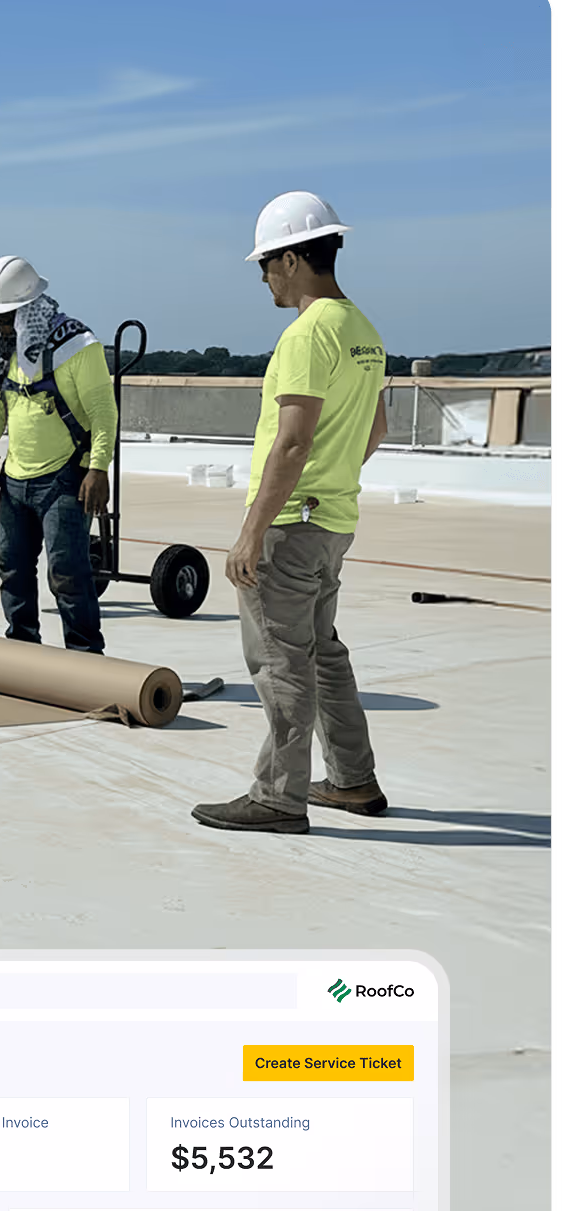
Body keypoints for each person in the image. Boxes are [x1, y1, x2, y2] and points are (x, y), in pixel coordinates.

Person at [192, 193, 390, 834]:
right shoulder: (363, 330)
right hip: (333, 521)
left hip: (292, 524)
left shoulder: (306, 335)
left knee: (280, 660)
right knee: (323, 652)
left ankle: (279, 798)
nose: (264, 277)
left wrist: (252, 530)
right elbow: (376, 426)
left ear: (296, 257)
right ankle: (354, 781)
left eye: (267, 263)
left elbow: (294, 440)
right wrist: (334, 483)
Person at [0, 257, 116, 655]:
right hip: (14, 481)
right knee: (11, 569)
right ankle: (22, 650)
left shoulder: (76, 345)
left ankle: (84, 655)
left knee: (68, 574)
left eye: (7, 316)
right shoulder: (4, 349)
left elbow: (103, 411)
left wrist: (98, 468)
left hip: (64, 479)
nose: (0, 325)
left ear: (29, 308)